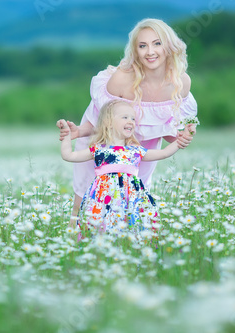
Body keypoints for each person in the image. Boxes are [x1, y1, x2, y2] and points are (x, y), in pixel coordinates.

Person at [57, 18, 198, 222]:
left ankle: (127, 246)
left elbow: (168, 134)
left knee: (134, 200)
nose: (150, 51)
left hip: (141, 149)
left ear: (168, 46)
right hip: (105, 142)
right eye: (143, 46)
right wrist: (78, 131)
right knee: (86, 198)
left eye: (157, 43)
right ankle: (74, 246)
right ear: (136, 51)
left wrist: (182, 137)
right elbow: (101, 120)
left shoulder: (181, 82)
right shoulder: (122, 79)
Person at [59, 99, 193, 234]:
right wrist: (66, 135)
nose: (131, 121)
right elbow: (69, 156)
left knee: (131, 226)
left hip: (131, 197)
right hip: (104, 197)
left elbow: (164, 153)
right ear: (108, 122)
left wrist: (182, 139)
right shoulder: (99, 150)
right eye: (125, 117)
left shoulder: (135, 151)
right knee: (100, 226)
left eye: (133, 119)